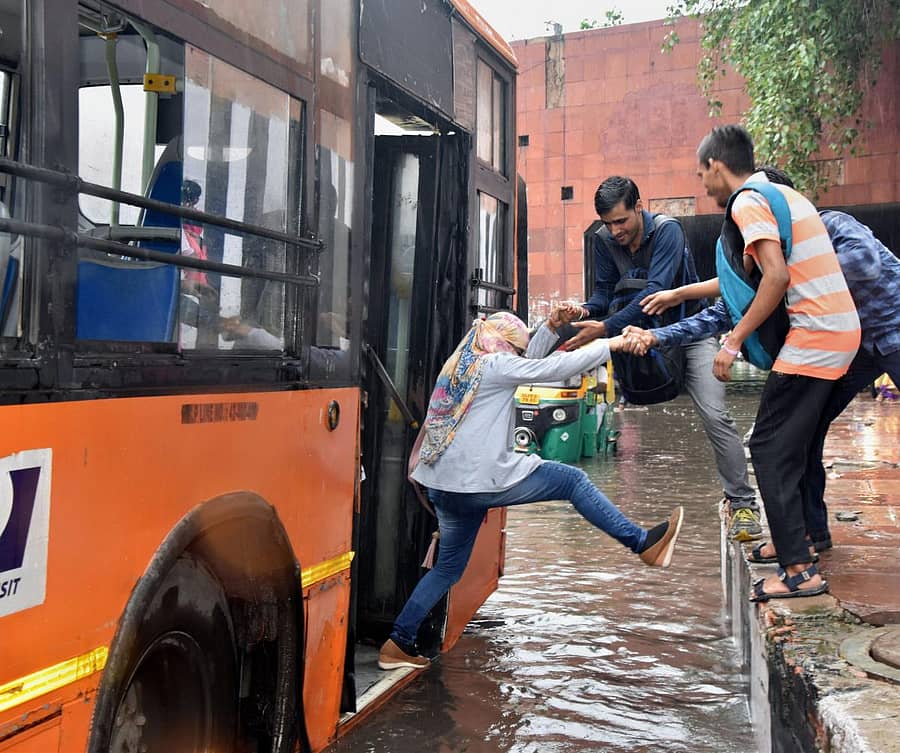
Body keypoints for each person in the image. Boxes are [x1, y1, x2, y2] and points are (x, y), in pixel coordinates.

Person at [621, 125, 860, 601]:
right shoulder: (782, 195)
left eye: (700, 173)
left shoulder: (747, 200)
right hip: (838, 330)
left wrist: (732, 345)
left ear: (716, 165)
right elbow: (738, 283)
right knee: (797, 440)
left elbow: (775, 278)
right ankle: (804, 540)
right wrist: (679, 294)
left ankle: (798, 571)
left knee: (768, 445)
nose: (702, 184)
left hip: (815, 335)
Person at [377, 311, 684, 670]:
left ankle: (397, 644)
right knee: (572, 481)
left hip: (443, 483)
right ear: (504, 344)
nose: (515, 355)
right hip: (477, 481)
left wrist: (551, 327)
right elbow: (544, 370)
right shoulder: (494, 365)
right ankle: (643, 544)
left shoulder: (464, 362)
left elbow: (526, 366)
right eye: (515, 348)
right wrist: (610, 344)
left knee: (446, 570)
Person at [635, 165, 900, 561]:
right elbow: (724, 311)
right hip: (855, 347)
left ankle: (797, 560)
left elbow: (865, 265)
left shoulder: (830, 226)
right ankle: (812, 531)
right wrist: (657, 334)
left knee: (777, 439)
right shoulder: (769, 259)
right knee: (804, 433)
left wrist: (783, 283)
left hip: (891, 327)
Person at [549, 176, 759, 541]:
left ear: (639, 208)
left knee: (715, 416)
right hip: (634, 336)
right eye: (608, 223)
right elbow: (602, 295)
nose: (615, 231)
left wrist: (605, 328)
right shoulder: (602, 241)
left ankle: (742, 503)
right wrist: (581, 311)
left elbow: (655, 293)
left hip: (690, 335)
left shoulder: (668, 232)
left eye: (621, 221)